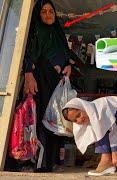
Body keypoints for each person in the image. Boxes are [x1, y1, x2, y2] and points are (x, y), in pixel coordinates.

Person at [23, 0, 80, 172]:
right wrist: (28, 75)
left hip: (57, 82)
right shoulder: (36, 32)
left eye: (51, 12)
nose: (48, 15)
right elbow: (28, 55)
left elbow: (67, 54)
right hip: (41, 80)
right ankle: (40, 162)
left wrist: (69, 66)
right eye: (44, 12)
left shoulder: (57, 32)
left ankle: (54, 161)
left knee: (57, 120)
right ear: (38, 15)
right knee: (42, 117)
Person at [62, 96, 117, 176]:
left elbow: (111, 128)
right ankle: (107, 162)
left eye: (78, 115)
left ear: (83, 107)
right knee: (96, 127)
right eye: (75, 121)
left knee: (99, 126)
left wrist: (114, 152)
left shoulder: (98, 109)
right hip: (116, 119)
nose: (79, 120)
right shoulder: (88, 115)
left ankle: (106, 160)